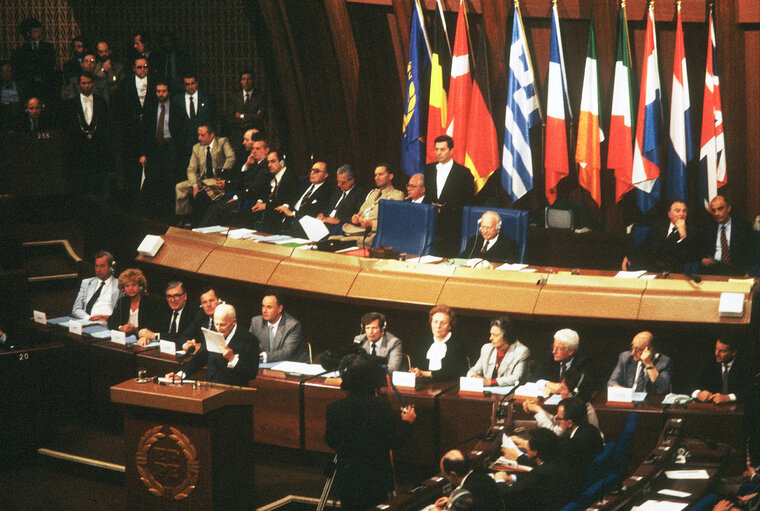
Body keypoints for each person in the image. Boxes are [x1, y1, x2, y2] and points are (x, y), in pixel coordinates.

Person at [325, 352, 416, 510]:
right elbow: (393, 441)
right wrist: (406, 422)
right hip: (376, 480)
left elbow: (331, 440)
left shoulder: (334, 409)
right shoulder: (381, 406)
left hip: (347, 480)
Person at [168, 304, 259, 386]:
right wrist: (180, 375)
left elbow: (251, 374)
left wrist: (232, 359)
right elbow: (199, 359)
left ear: (233, 322)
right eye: (216, 324)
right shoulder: (213, 333)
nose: (218, 328)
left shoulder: (249, 340)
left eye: (223, 325)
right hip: (211, 391)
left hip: (234, 395)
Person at [138, 80, 188, 217]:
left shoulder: (177, 110)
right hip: (154, 148)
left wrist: (178, 150)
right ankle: (152, 214)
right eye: (158, 91)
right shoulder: (150, 108)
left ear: (169, 92)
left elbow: (183, 132)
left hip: (170, 147)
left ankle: (168, 214)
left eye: (163, 91)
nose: (160, 94)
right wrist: (143, 153)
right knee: (152, 180)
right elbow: (144, 132)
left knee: (169, 181)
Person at [494, 428, 573, 511]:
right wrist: (512, 478)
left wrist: (499, 480)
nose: (525, 447)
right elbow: (531, 478)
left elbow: (507, 495)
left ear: (535, 452)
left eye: (527, 445)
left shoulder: (539, 474)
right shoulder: (557, 461)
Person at [62, 71, 114, 195]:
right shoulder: (71, 104)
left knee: (99, 185)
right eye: (83, 83)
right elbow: (68, 128)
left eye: (89, 83)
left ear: (93, 84)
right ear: (79, 84)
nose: (86, 86)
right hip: (79, 151)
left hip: (98, 150)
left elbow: (106, 125)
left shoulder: (101, 102)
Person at [174, 123, 236, 226]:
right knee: (180, 187)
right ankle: (184, 218)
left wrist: (223, 174)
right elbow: (191, 169)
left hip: (217, 179)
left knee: (200, 196)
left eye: (202, 135)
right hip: (202, 180)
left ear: (211, 135)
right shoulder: (196, 148)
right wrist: (194, 185)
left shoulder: (222, 142)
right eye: (198, 135)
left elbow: (231, 158)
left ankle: (197, 222)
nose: (199, 138)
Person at [424, 135, 475, 257]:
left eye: (443, 149)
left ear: (451, 151)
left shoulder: (463, 173)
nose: (438, 153)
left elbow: (468, 201)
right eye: (436, 149)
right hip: (431, 222)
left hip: (453, 224)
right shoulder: (429, 169)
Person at [623, 199, 699, 273]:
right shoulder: (659, 226)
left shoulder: (692, 230)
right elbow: (646, 246)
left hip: (675, 271)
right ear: (669, 214)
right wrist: (630, 257)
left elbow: (690, 255)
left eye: (684, 211)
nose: (681, 214)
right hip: (652, 268)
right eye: (677, 211)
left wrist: (683, 234)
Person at [519, 367, 600, 436]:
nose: (560, 391)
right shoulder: (579, 404)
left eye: (563, 388)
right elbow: (557, 421)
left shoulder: (577, 410)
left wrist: (538, 411)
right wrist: (538, 409)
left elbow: (555, 434)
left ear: (573, 393)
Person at [340, 164, 404, 247]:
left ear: (390, 176)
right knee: (332, 240)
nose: (377, 177)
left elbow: (392, 221)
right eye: (375, 175)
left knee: (338, 244)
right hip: (357, 230)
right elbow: (361, 212)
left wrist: (371, 224)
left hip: (374, 234)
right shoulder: (372, 193)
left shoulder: (397, 195)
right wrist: (356, 218)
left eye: (381, 174)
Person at [246, 148, 301, 233]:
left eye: (273, 161)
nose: (269, 165)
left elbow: (285, 201)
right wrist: (260, 201)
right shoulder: (270, 176)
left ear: (282, 163)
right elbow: (264, 192)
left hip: (279, 213)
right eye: (268, 162)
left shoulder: (290, 178)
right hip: (269, 209)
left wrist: (266, 206)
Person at [530, 328, 593, 402]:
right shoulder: (550, 357)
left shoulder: (583, 363)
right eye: (553, 347)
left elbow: (582, 391)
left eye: (558, 349)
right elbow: (532, 378)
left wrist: (559, 389)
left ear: (570, 351)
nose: (554, 351)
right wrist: (548, 384)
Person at [701, 195, 757, 276]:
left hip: (736, 270)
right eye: (713, 210)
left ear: (728, 208)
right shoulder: (708, 227)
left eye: (720, 209)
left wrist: (746, 271)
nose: (716, 213)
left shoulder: (743, 226)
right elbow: (700, 250)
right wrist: (703, 260)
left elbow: (751, 254)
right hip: (712, 271)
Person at [410, 305, 468, 382]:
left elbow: (454, 373)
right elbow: (418, 365)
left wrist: (424, 373)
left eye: (443, 323)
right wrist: (415, 371)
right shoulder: (423, 342)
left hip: (450, 387)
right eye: (435, 322)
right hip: (424, 385)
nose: (438, 326)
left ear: (449, 326)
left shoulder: (458, 344)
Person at [467, 316, 529, 387]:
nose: (490, 338)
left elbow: (516, 378)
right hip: (487, 392)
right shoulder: (486, 348)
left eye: (495, 335)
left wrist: (490, 382)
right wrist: (472, 376)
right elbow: (475, 369)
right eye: (491, 334)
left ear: (507, 336)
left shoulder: (521, 351)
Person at [692, 335, 756, 404]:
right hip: (711, 409)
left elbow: (751, 391)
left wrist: (728, 397)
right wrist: (698, 394)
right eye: (716, 349)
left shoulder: (746, 365)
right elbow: (690, 384)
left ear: (733, 352)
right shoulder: (709, 362)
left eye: (722, 351)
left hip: (738, 409)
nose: (716, 354)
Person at [249, 291, 308, 363]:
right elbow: (249, 345)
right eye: (263, 306)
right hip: (265, 364)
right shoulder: (256, 322)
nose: (264, 310)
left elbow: (286, 352)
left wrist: (263, 356)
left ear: (279, 309)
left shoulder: (292, 325)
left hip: (291, 365)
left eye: (269, 307)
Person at [275, 160, 334, 231]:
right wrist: (286, 205)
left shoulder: (328, 191)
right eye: (311, 170)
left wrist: (292, 213)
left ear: (326, 175)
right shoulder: (306, 182)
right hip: (287, 217)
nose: (312, 173)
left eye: (316, 171)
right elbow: (292, 196)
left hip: (302, 224)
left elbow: (314, 212)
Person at [437, 449, 503, 511]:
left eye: (445, 475)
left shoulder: (466, 495)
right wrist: (451, 500)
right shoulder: (485, 477)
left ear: (453, 475)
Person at [607, 331, 672, 394]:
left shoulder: (663, 362)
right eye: (632, 347)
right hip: (629, 399)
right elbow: (611, 383)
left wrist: (648, 364)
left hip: (651, 402)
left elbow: (663, 389)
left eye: (638, 349)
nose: (633, 353)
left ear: (650, 350)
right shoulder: (625, 357)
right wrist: (627, 393)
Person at [11, 18, 57, 104]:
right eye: (35, 31)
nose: (39, 34)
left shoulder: (48, 48)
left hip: (45, 84)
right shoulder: (21, 50)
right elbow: (21, 69)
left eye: (39, 31)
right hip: (29, 85)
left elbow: (50, 64)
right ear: (28, 33)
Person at [137, 281, 193, 347]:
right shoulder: (163, 307)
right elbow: (151, 327)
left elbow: (181, 336)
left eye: (176, 296)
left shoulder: (192, 311)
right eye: (169, 296)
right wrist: (145, 337)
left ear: (185, 296)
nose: (172, 300)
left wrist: (155, 336)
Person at [172, 72, 216, 154]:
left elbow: (212, 120)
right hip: (183, 146)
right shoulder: (176, 100)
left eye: (193, 83)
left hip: (203, 144)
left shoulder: (207, 98)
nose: (190, 87)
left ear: (197, 83)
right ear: (184, 85)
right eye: (187, 84)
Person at [107, 268, 160, 335]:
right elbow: (111, 321)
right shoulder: (123, 301)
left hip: (143, 337)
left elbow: (153, 326)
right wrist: (120, 327)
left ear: (140, 286)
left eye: (134, 285)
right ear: (123, 288)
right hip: (125, 336)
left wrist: (135, 330)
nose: (130, 288)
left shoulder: (149, 302)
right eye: (127, 286)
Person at [71, 250, 119, 321]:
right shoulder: (86, 283)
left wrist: (108, 318)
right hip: (88, 321)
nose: (98, 270)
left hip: (108, 322)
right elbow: (75, 309)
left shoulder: (120, 284)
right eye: (96, 266)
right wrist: (89, 318)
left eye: (102, 266)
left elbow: (123, 312)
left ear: (111, 268)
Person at [225, 69, 265, 152]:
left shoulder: (260, 96)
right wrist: (252, 117)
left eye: (248, 79)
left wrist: (241, 116)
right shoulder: (234, 97)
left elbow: (260, 117)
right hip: (237, 139)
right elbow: (230, 119)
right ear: (241, 81)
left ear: (253, 80)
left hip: (254, 139)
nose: (246, 82)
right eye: (243, 79)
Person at [178, 287, 221, 354]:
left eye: (211, 300)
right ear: (201, 305)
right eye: (204, 302)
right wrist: (187, 345)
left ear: (219, 301)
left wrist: (200, 348)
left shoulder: (225, 318)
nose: (208, 305)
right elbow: (184, 336)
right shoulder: (200, 315)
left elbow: (217, 345)